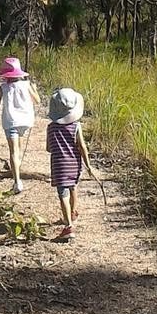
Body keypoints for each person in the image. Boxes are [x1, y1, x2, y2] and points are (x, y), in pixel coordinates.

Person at [46, 87, 98, 241]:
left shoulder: (51, 127)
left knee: (63, 195)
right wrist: (88, 165)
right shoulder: (76, 126)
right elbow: (82, 146)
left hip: (59, 165)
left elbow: (48, 148)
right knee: (73, 187)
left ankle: (68, 225)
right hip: (74, 163)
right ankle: (74, 212)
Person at [0, 56, 40, 194]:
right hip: (25, 122)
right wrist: (35, 89)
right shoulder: (26, 85)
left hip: (11, 122)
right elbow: (37, 101)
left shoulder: (2, 88)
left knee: (13, 152)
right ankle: (17, 172)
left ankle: (17, 182)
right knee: (18, 150)